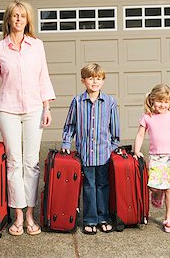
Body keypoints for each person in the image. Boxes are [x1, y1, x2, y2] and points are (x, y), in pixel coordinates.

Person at [0, 0, 56, 236]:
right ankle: (16, 216)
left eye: (22, 16)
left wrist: (47, 108)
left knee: (31, 162)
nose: (18, 20)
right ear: (8, 19)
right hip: (7, 111)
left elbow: (43, 77)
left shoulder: (37, 45)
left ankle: (30, 215)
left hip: (34, 108)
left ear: (28, 21)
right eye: (14, 16)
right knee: (14, 162)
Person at [61, 63, 120, 235]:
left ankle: (104, 218)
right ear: (83, 81)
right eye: (91, 78)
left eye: (98, 78)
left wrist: (114, 146)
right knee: (88, 186)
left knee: (102, 185)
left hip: (103, 153)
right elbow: (70, 125)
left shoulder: (109, 102)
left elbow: (114, 126)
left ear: (103, 81)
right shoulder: (77, 101)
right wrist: (66, 143)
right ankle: (90, 219)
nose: (95, 82)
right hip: (85, 154)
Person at [133, 83, 170, 233]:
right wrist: (137, 151)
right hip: (155, 157)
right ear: (152, 100)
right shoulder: (147, 117)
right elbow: (140, 135)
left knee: (169, 188)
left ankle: (169, 218)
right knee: (153, 186)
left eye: (166, 101)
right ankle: (157, 194)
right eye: (159, 101)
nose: (163, 105)